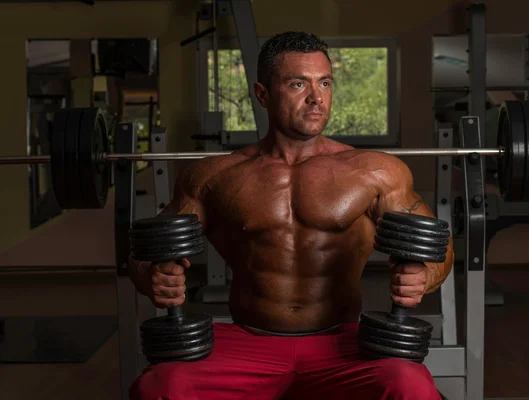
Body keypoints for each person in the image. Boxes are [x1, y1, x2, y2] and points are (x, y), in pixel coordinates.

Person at [128, 31, 454, 400]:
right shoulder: (214, 176)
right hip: (250, 341)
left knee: (410, 386)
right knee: (159, 387)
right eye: (299, 83)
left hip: (343, 343)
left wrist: (423, 276)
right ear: (263, 94)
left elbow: (438, 251)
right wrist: (154, 277)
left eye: (325, 83)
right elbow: (148, 255)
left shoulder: (376, 172)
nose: (317, 97)